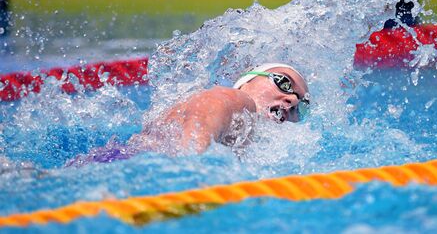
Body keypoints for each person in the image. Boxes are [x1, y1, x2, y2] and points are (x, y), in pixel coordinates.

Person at [66, 63, 310, 166]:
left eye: (300, 105)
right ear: (247, 82)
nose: (291, 100)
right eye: (284, 83)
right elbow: (211, 104)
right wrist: (190, 167)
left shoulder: (245, 138)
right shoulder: (240, 100)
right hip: (124, 164)